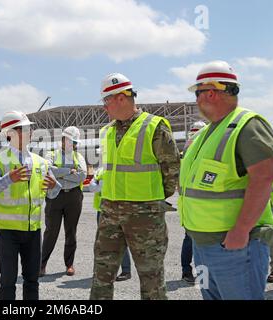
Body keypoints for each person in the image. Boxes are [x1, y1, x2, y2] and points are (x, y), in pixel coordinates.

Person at [179, 60, 273, 300]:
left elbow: (264, 178)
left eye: (198, 93)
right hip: (204, 245)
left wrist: (241, 231)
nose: (196, 100)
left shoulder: (247, 126)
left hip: (234, 246)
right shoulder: (207, 132)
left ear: (211, 92)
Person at [90, 73, 180, 300]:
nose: (104, 107)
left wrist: (149, 198)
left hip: (145, 215)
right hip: (110, 212)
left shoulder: (155, 127)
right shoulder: (107, 131)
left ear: (121, 97)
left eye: (106, 101)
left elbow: (171, 172)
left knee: (151, 278)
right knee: (101, 275)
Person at [0, 110, 61, 300]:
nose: (29, 132)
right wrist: (8, 178)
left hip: (33, 231)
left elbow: (53, 191)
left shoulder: (41, 162)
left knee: (32, 280)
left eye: (28, 128)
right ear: (9, 133)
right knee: (8, 281)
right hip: (8, 231)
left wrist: (53, 187)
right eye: (23, 129)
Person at [40, 126, 87, 277]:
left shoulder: (78, 157)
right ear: (62, 139)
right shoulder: (51, 154)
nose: (69, 143)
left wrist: (60, 174)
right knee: (51, 232)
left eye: (72, 141)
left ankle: (69, 264)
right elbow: (49, 171)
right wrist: (69, 171)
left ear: (75, 143)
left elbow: (82, 175)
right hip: (55, 196)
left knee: (71, 232)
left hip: (73, 197)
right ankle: (41, 264)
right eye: (67, 139)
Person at [89, 167, 131, 281]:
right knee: (101, 242)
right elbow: (91, 187)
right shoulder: (100, 171)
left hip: (118, 209)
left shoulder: (120, 167)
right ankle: (99, 271)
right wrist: (104, 185)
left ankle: (126, 271)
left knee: (120, 240)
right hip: (102, 211)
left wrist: (101, 185)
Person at [180, 120, 206, 284]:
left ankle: (187, 271)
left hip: (190, 202)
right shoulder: (199, 148)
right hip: (197, 202)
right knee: (198, 241)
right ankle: (198, 274)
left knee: (190, 239)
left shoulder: (186, 150)